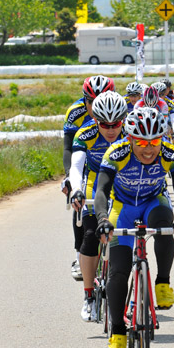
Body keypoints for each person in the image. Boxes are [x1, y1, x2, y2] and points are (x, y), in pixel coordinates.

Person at [94, 108, 174, 348]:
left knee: (165, 223)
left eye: (154, 142)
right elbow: (101, 190)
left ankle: (162, 282)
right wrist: (103, 220)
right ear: (130, 139)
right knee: (118, 272)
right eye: (141, 143)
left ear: (162, 138)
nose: (148, 149)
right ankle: (117, 333)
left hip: (152, 204)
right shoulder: (116, 154)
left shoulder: (171, 154)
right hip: (121, 210)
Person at [69, 91, 128, 322]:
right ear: (96, 120)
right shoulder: (86, 133)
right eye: (105, 124)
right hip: (95, 184)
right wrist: (76, 189)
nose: (111, 129)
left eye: (116, 124)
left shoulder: (131, 132)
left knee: (128, 236)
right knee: (92, 235)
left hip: (123, 183)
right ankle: (89, 296)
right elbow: (76, 166)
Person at [62, 75, 115, 282]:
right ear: (85, 100)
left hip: (112, 162)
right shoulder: (75, 114)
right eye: (92, 101)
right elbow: (68, 148)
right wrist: (69, 178)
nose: (98, 105)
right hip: (85, 162)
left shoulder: (121, 111)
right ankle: (79, 254)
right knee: (81, 204)